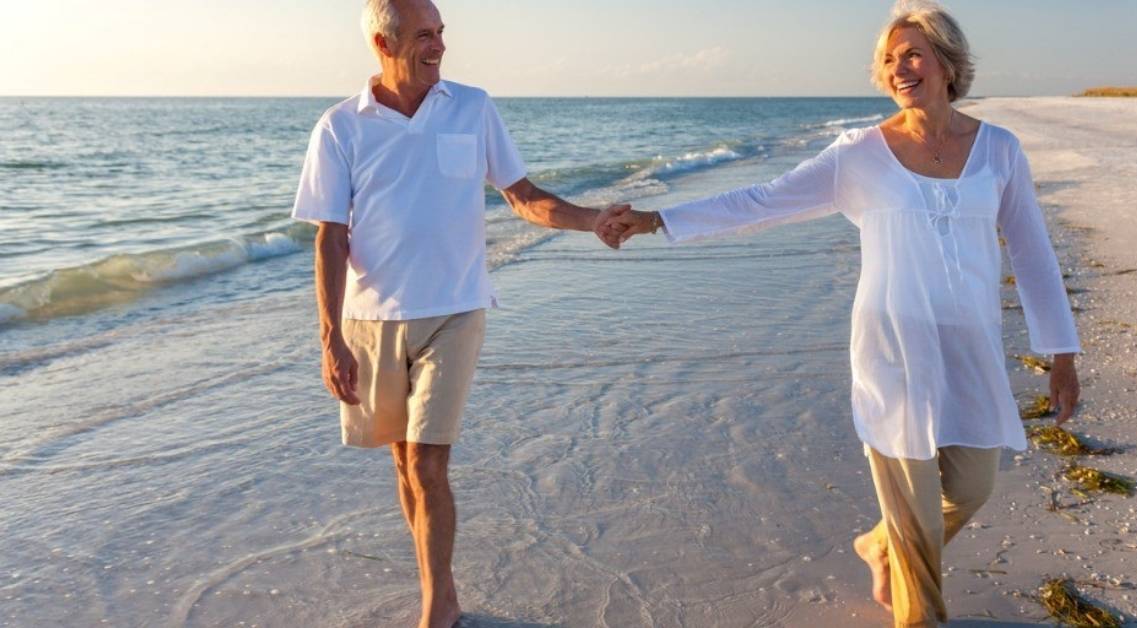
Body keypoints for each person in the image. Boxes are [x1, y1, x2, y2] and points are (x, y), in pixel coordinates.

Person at [603, 2, 1081, 625]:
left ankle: (879, 544)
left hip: (971, 349)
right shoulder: (859, 153)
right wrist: (660, 218)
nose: (898, 68)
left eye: (911, 53)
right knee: (915, 520)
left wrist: (1062, 354)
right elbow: (763, 200)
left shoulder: (998, 150)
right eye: (887, 59)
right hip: (893, 350)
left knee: (969, 489)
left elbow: (1033, 251)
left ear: (946, 61)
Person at [291, 1, 625, 626]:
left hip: (457, 309)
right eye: (425, 35)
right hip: (372, 319)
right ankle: (433, 579)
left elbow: (522, 196)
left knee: (427, 462)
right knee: (401, 461)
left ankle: (437, 603)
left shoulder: (472, 107)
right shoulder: (339, 127)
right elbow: (330, 237)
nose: (440, 46)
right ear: (383, 45)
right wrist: (331, 338)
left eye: (442, 33)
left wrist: (590, 220)